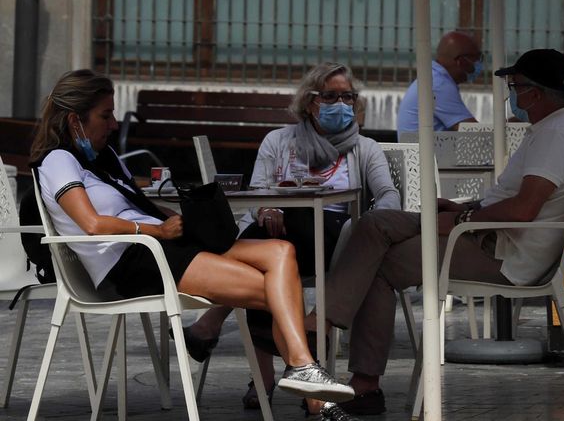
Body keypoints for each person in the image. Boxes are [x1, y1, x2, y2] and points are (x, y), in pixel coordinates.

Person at [29, 69, 355, 407]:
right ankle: (313, 388)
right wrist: (156, 230)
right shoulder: (58, 161)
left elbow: (136, 203)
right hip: (134, 262)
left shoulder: (103, 158)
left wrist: (185, 221)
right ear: (74, 120)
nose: (113, 125)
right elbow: (92, 224)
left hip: (163, 247)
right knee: (276, 289)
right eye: (105, 115)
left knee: (282, 252)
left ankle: (302, 370)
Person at [306, 49, 564, 416]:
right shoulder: (557, 129)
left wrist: (461, 221)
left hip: (501, 252)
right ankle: (323, 324)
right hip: (484, 230)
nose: (512, 96)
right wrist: (463, 210)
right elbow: (516, 202)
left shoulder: (557, 135)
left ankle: (359, 378)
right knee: (375, 223)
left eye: (514, 87)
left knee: (379, 263)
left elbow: (524, 209)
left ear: (534, 93)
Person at [184, 62, 400, 415]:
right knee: (264, 247)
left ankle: (223, 335)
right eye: (330, 96)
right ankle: (287, 373)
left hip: (336, 239)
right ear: (310, 101)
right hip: (279, 236)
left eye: (348, 96)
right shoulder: (278, 140)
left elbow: (388, 195)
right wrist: (265, 211)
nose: (341, 103)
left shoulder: (365, 147)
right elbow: (257, 194)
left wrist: (369, 222)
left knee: (261, 250)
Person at [396, 31, 482, 138]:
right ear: (461, 61)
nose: (479, 64)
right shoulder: (439, 85)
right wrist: (504, 128)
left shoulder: (433, 78)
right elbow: (475, 135)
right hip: (427, 154)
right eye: (476, 59)